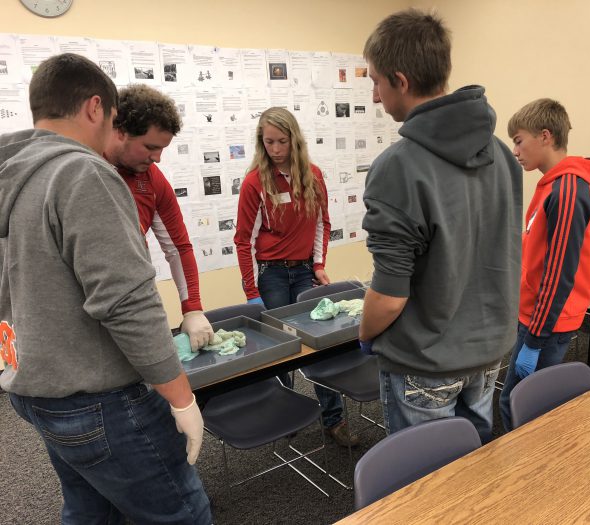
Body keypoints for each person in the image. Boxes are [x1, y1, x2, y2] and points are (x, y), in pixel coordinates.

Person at [0, 54, 211, 523]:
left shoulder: (15, 173)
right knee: (181, 513)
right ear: (97, 109)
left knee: (90, 509)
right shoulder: (82, 172)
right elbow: (125, 302)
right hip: (98, 399)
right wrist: (181, 397)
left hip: (37, 385)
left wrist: (192, 305)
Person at [358, 9, 523, 443]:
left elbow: (390, 297)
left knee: (425, 489)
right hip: (488, 349)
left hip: (425, 361)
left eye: (376, 81)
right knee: (474, 470)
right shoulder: (503, 153)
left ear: (401, 81)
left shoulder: (398, 167)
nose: (375, 95)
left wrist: (364, 333)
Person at [234, 107, 358, 447]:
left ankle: (333, 420)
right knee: (281, 351)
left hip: (304, 272)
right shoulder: (255, 183)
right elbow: (243, 240)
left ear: (294, 140)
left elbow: (322, 224)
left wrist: (319, 264)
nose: (275, 149)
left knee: (320, 346)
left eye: (281, 141)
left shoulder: (313, 175)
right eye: (268, 141)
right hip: (272, 275)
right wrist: (251, 291)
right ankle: (286, 416)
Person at [498, 99, 590, 431]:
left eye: (518, 140)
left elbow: (558, 273)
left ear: (545, 136)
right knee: (527, 405)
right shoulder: (553, 185)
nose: (515, 150)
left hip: (547, 323)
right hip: (536, 315)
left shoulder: (568, 189)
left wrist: (534, 339)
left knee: (518, 407)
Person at [104, 84, 214, 351]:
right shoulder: (84, 170)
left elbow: (178, 248)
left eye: (162, 148)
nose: (158, 158)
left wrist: (192, 309)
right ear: (120, 132)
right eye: (150, 147)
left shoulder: (151, 180)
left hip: (136, 304)